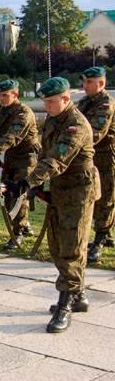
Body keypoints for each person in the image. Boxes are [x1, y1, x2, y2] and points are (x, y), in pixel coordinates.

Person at [6, 77, 99, 333]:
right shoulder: (54, 120)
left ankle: (65, 304)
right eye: (44, 101)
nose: (46, 106)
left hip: (79, 191)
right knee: (57, 245)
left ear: (66, 99)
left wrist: (27, 182)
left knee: (72, 246)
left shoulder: (76, 125)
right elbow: (41, 149)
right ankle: (78, 294)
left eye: (51, 101)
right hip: (60, 189)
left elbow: (55, 160)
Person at [0, 79, 40, 249]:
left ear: (15, 94)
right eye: (0, 95)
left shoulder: (23, 113)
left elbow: (12, 136)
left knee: (18, 193)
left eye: (5, 95)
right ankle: (24, 225)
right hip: (11, 157)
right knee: (5, 192)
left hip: (26, 157)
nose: (2, 98)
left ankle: (17, 233)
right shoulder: (2, 110)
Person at [76, 67, 115, 264]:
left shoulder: (106, 104)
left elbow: (97, 133)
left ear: (101, 83)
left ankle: (99, 240)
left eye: (89, 82)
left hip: (106, 157)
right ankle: (106, 233)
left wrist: (75, 145)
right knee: (94, 196)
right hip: (88, 156)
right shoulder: (84, 103)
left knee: (105, 198)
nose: (85, 86)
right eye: (84, 82)